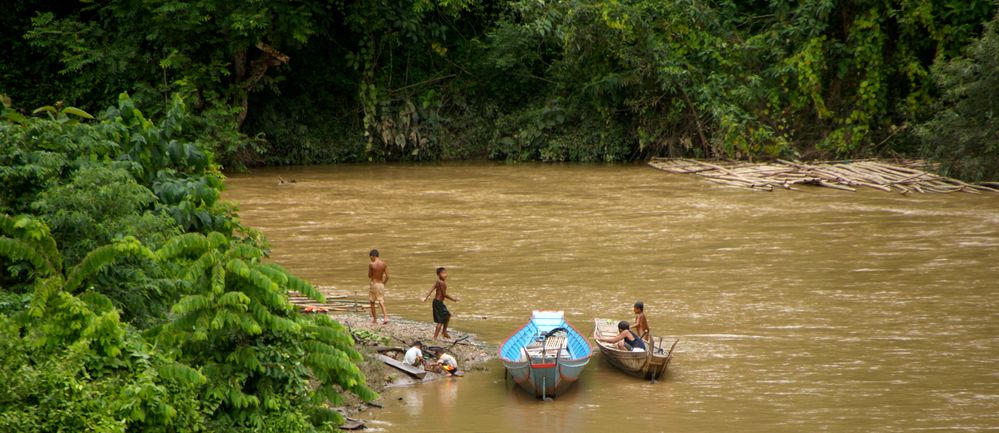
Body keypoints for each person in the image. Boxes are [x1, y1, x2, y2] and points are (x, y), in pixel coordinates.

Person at [422, 267, 459, 340]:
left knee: (447, 315)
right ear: (438, 275)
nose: (445, 275)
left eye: (445, 273)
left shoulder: (438, 281)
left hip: (437, 302)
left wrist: (426, 297)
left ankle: (444, 332)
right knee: (441, 321)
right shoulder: (442, 283)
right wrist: (454, 299)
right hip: (438, 303)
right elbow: (444, 294)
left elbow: (431, 289)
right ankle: (435, 337)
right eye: (443, 273)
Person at [367, 249, 389, 324]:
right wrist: (383, 284)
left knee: (372, 301)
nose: (370, 259)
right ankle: (385, 317)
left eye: (370, 257)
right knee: (381, 301)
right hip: (381, 284)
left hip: (374, 284)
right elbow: (388, 276)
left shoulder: (371, 264)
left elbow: (369, 276)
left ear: (373, 256)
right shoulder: (384, 264)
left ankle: (375, 319)